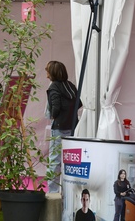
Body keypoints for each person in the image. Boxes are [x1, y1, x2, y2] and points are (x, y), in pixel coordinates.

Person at [45, 60, 81, 194]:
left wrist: (54, 115)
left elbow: (55, 107)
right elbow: (79, 103)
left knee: (55, 161)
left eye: (47, 71)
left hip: (59, 127)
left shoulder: (54, 87)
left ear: (52, 72)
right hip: (72, 126)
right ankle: (69, 192)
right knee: (70, 161)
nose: (46, 74)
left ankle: (53, 192)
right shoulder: (71, 86)